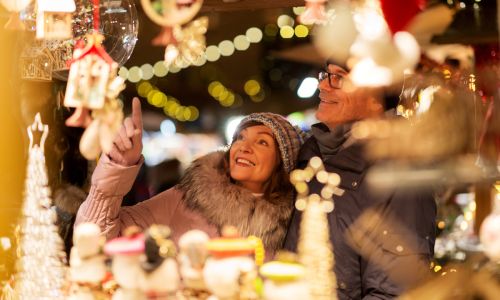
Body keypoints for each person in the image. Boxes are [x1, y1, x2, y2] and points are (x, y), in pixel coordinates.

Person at [283, 62, 437, 299]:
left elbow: (394, 291)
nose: (323, 85)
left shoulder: (400, 168)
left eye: (339, 77)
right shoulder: (309, 155)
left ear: (376, 97)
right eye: (326, 75)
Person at [75, 98, 304, 254]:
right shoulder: (188, 199)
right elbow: (95, 239)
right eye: (240, 138)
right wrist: (117, 167)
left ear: (282, 163)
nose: (244, 147)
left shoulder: (294, 224)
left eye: (262, 142)